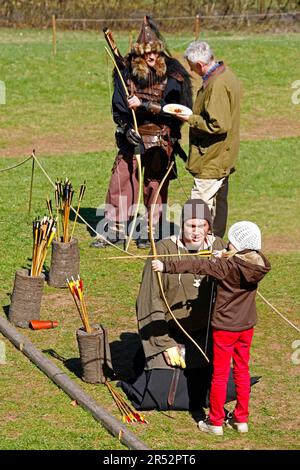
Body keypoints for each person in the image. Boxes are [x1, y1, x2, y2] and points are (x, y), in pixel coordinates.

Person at [152, 221, 271, 435]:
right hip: (246, 326)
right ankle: (241, 419)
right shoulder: (258, 264)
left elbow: (197, 265)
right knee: (242, 370)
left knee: (220, 373)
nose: (226, 245)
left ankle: (215, 422)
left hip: (225, 328)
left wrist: (165, 265)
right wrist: (225, 254)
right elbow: (237, 261)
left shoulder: (225, 267)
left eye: (230, 244)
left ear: (237, 245)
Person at [91, 16, 192, 249]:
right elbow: (118, 107)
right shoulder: (126, 73)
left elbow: (177, 112)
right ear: (138, 54)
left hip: (161, 138)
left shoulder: (173, 76)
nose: (151, 57)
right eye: (146, 52)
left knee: (155, 185)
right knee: (122, 181)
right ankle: (114, 229)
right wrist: (126, 129)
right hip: (132, 137)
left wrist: (147, 109)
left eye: (155, 52)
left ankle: (150, 230)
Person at [119, 198, 227, 412]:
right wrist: (164, 343)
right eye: (191, 226)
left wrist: (227, 262)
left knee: (212, 386)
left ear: (209, 226)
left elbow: (245, 274)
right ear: (182, 225)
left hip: (204, 335)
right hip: (169, 332)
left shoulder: (219, 247)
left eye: (202, 226)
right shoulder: (163, 249)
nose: (196, 232)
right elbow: (149, 300)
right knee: (159, 392)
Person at [172, 40, 241, 238]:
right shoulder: (226, 75)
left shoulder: (217, 85)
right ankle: (214, 245)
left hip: (212, 157)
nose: (192, 71)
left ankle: (196, 249)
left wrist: (189, 118)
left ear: (200, 65)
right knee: (219, 204)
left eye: (192, 67)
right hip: (223, 155)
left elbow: (218, 124)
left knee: (198, 207)